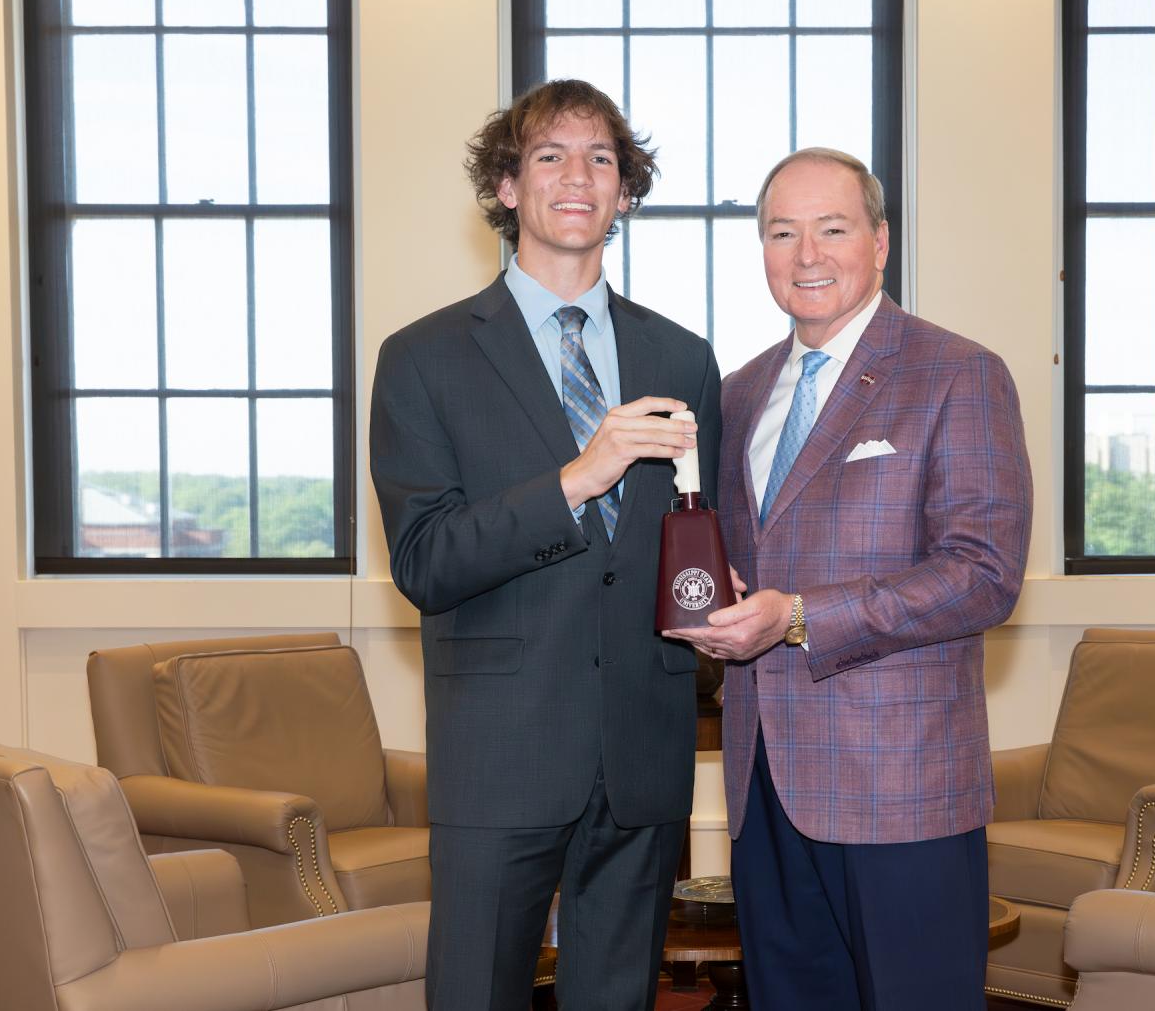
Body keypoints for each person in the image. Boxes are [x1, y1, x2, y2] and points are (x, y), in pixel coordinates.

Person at [371, 78, 723, 1011]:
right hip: (502, 750)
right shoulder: (422, 357)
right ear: (506, 188)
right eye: (550, 156)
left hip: (642, 752)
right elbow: (425, 562)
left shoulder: (683, 357)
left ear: (625, 191)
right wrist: (581, 474)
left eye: (602, 158)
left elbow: (698, 539)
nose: (579, 175)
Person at [667, 148, 1032, 1009]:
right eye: (781, 232)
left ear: (880, 242)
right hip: (763, 789)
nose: (807, 254)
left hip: (900, 790)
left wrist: (797, 614)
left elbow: (984, 573)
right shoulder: (739, 393)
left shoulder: (958, 373)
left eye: (832, 228)